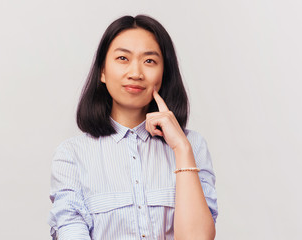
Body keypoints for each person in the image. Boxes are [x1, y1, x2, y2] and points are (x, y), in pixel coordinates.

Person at [48, 15, 218, 240]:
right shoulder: (71, 156)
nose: (136, 73)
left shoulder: (192, 146)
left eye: (149, 61)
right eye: (122, 58)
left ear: (163, 73)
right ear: (102, 72)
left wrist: (181, 148)